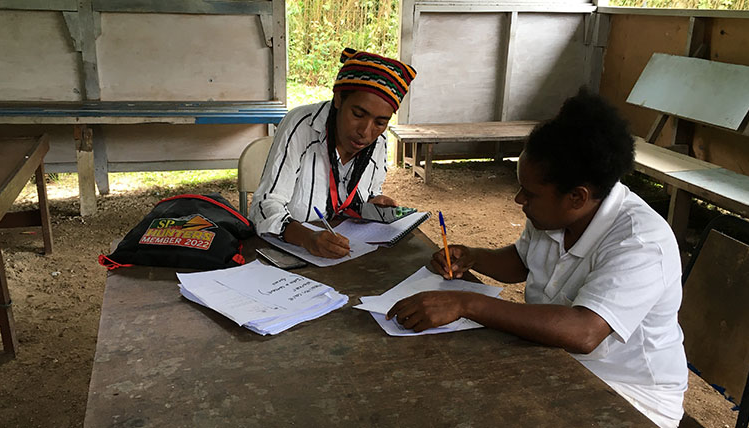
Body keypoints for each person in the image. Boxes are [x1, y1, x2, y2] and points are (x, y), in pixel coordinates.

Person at [387, 90, 687, 428]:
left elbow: (584, 333)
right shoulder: (554, 216)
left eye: (529, 194)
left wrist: (465, 303)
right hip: (555, 364)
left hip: (627, 397)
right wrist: (473, 258)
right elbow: (522, 261)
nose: (518, 200)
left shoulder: (640, 241)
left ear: (577, 197)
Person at [250, 47, 416, 258]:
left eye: (380, 122)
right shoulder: (301, 125)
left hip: (347, 255)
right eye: (357, 114)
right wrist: (307, 237)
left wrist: (371, 205)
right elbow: (264, 205)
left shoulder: (379, 141)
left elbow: (367, 191)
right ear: (338, 99)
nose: (365, 132)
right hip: (294, 254)